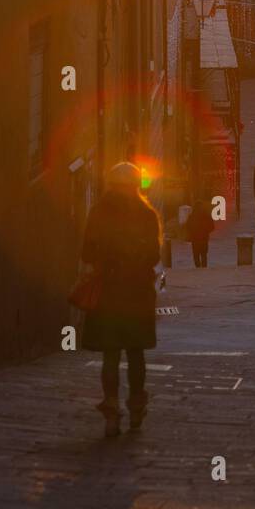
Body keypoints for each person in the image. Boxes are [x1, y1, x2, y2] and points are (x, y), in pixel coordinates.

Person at [80, 162, 161, 437]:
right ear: (136, 185)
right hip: (137, 292)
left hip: (110, 291)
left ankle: (112, 410)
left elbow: (87, 253)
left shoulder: (99, 212)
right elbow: (154, 256)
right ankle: (137, 407)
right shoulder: (146, 214)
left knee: (111, 354)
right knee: (136, 352)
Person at [185, 197, 214, 268]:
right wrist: (206, 231)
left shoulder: (191, 216)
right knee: (204, 254)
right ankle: (204, 268)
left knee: (196, 255)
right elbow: (212, 227)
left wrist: (192, 232)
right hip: (204, 239)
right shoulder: (206, 216)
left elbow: (187, 227)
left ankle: (197, 268)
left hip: (195, 239)